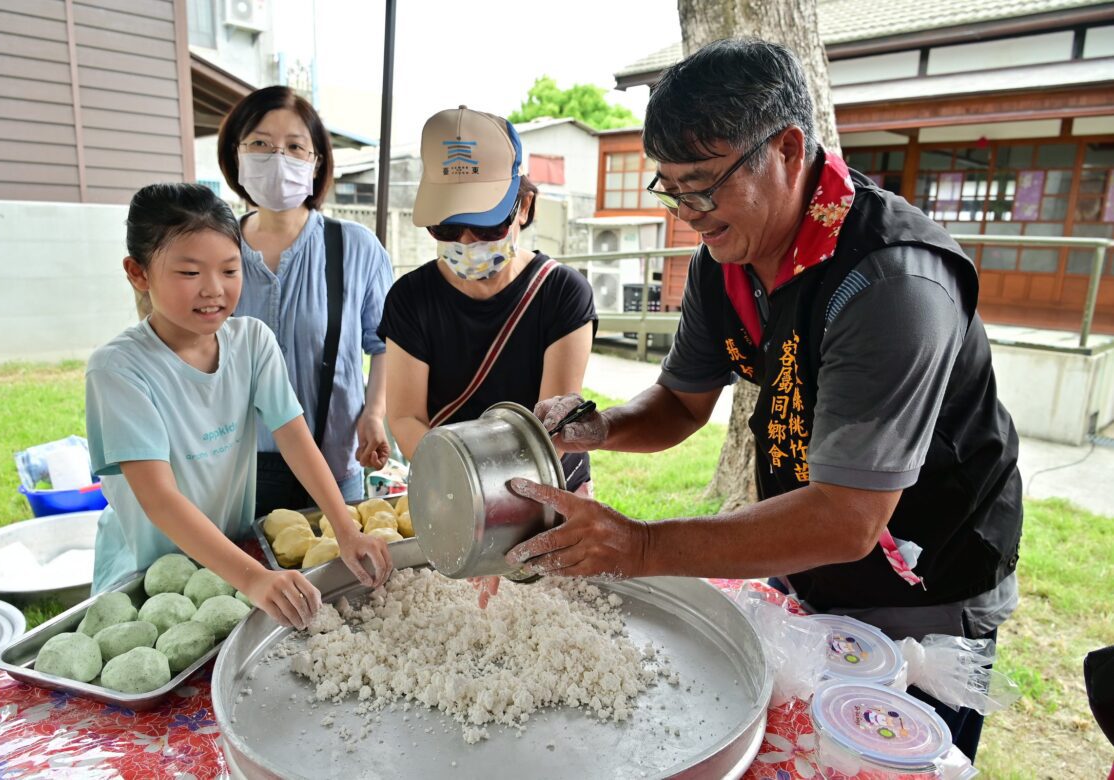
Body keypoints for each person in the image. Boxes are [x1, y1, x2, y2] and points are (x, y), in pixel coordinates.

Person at [507, 39, 1023, 761]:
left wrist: (640, 545)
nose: (689, 213)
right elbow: (681, 405)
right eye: (672, 188)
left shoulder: (890, 283)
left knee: (883, 761)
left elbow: (847, 518)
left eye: (704, 184)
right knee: (795, 755)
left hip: (927, 582)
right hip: (810, 556)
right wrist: (592, 428)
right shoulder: (729, 253)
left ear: (786, 148)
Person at [86, 183, 392, 629]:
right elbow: (161, 500)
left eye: (230, 271)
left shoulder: (252, 342)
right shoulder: (118, 369)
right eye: (190, 273)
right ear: (138, 273)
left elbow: (295, 437)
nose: (214, 290)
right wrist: (254, 579)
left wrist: (346, 529)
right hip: (146, 576)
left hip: (227, 560)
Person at [377, 106, 597, 605]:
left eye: (486, 225)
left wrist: (501, 509)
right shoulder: (411, 298)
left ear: (523, 206)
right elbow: (407, 415)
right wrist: (463, 499)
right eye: (449, 229)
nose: (468, 243)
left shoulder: (562, 293)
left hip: (548, 488)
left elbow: (553, 428)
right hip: (455, 493)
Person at [217, 86, 392, 513]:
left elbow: (386, 344)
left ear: (316, 164)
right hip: (231, 474)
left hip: (333, 467)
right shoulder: (213, 246)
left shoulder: (356, 247)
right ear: (235, 155)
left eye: (295, 146)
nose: (277, 158)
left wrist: (374, 414)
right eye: (260, 143)